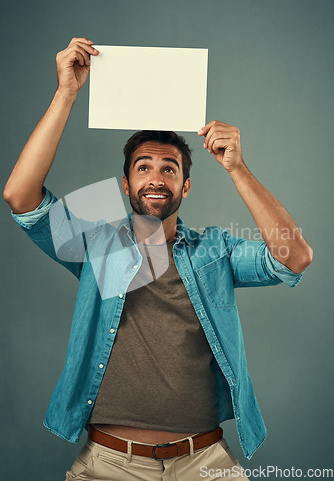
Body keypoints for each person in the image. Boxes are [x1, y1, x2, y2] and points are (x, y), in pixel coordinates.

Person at [3, 37, 313, 481]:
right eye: (143, 166)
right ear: (126, 184)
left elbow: (295, 257)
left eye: (169, 168)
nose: (156, 177)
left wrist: (237, 169)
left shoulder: (216, 250)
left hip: (204, 463)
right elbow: (20, 196)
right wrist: (66, 93)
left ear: (185, 187)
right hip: (108, 465)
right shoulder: (97, 245)